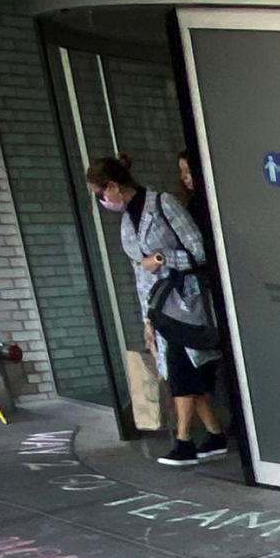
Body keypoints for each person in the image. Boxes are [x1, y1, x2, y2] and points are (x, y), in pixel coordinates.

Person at [88, 154, 227, 464]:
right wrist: (147, 318)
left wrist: (163, 258)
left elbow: (200, 250)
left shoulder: (164, 204)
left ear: (112, 186)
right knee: (184, 376)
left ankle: (184, 441)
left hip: (185, 302)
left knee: (180, 374)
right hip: (160, 308)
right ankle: (215, 435)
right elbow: (140, 273)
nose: (101, 200)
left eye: (100, 193)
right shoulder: (127, 219)